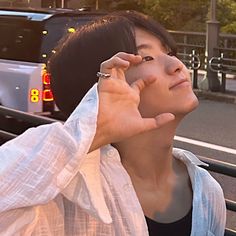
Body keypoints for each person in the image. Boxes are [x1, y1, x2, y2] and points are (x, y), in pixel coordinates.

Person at [0, 10, 226, 236]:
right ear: (96, 90)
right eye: (147, 57)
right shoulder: (67, 192)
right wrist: (92, 129)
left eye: (169, 52)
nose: (176, 64)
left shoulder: (206, 190)